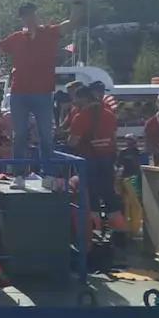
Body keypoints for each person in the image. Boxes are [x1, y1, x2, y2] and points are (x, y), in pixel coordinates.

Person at [0, 0, 84, 188]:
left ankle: (48, 175)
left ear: (37, 15)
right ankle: (19, 176)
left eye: (32, 14)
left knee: (45, 135)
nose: (30, 18)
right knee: (20, 135)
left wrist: (77, 1)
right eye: (26, 15)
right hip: (19, 94)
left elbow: (73, 22)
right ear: (22, 18)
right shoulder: (17, 38)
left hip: (43, 94)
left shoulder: (49, 33)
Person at [67, 86, 124, 238]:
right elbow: (114, 138)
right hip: (108, 159)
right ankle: (119, 234)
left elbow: (73, 142)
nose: (74, 101)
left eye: (76, 98)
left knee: (90, 195)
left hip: (89, 160)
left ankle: (95, 234)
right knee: (109, 194)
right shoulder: (109, 114)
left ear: (84, 98)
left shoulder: (80, 117)